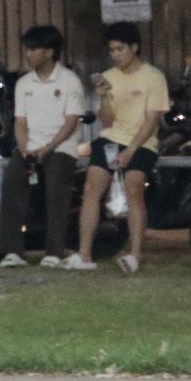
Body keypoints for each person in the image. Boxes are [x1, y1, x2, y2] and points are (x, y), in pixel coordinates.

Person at [67, 22, 170, 274]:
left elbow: (152, 120)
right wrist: (103, 96)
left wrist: (131, 150)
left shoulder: (154, 77)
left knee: (134, 188)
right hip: (112, 138)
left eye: (120, 49)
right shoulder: (109, 77)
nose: (116, 55)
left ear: (134, 47)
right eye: (112, 50)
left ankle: (135, 255)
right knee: (91, 188)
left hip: (142, 142)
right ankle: (84, 254)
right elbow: (107, 121)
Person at [0, 25, 87, 268]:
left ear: (49, 52)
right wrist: (24, 148)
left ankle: (54, 251)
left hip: (60, 147)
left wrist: (49, 147)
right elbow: (20, 121)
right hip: (30, 147)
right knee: (12, 183)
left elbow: (71, 121)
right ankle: (11, 250)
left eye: (33, 49)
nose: (28, 54)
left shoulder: (70, 81)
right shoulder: (24, 83)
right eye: (27, 49)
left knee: (56, 189)